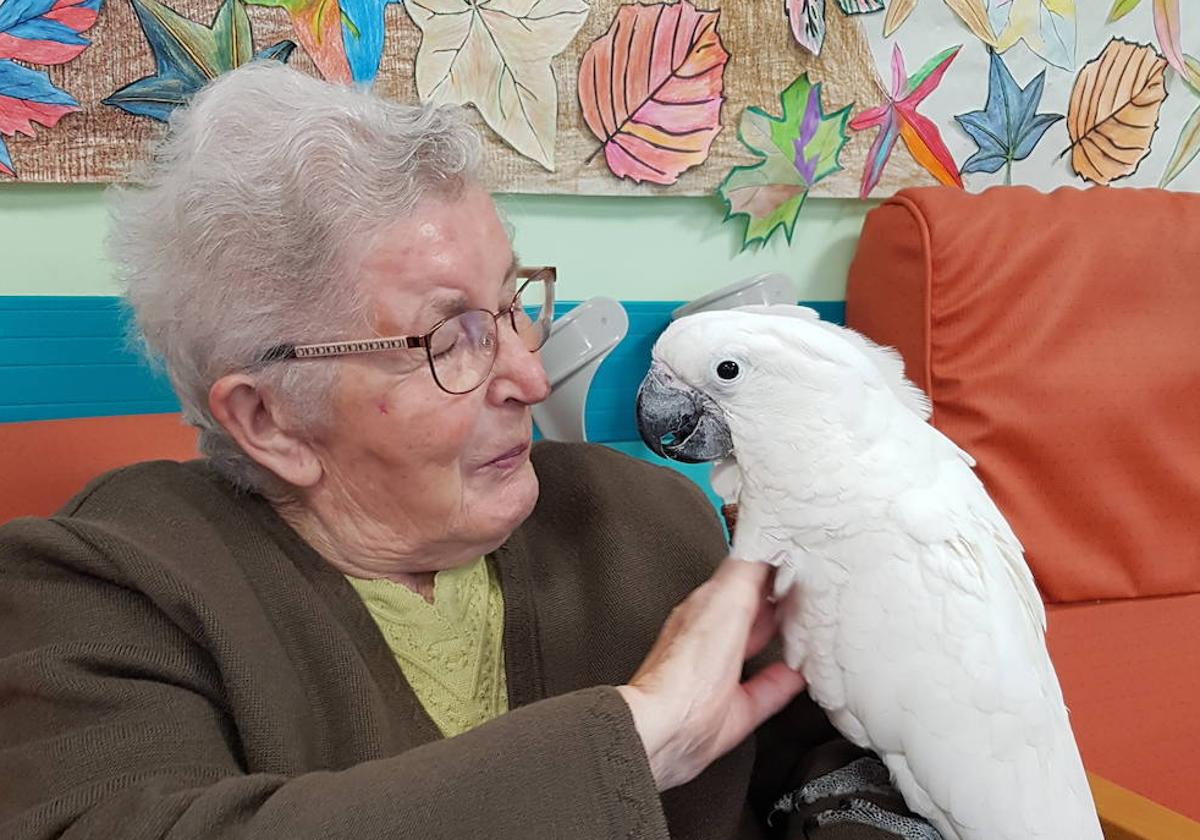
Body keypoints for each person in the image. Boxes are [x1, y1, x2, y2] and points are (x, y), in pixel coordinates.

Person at [0, 63, 936, 839]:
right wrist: (641, 734)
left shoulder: (644, 518)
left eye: (514, 303)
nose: (530, 377)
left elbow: (846, 757)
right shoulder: (97, 589)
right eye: (450, 338)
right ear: (270, 420)